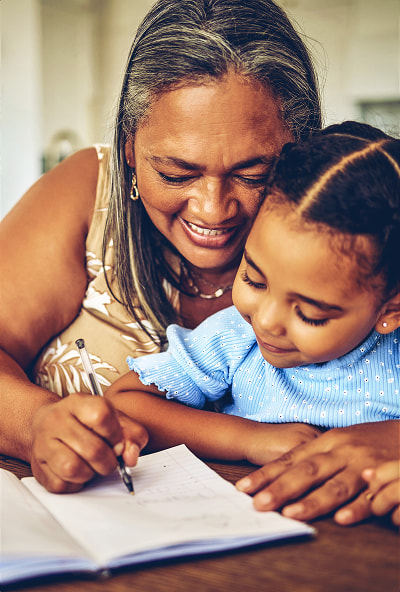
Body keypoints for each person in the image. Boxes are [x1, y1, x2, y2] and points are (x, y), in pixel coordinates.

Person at [0, 0, 322, 493]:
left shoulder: (345, 221)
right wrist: (37, 424)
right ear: (130, 147)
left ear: (304, 146)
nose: (212, 210)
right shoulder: (88, 193)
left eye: (253, 174)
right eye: (176, 173)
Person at [105, 121, 400, 526]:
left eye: (309, 314)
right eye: (253, 280)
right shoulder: (234, 339)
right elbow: (126, 402)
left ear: (390, 310)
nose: (265, 320)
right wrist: (247, 439)